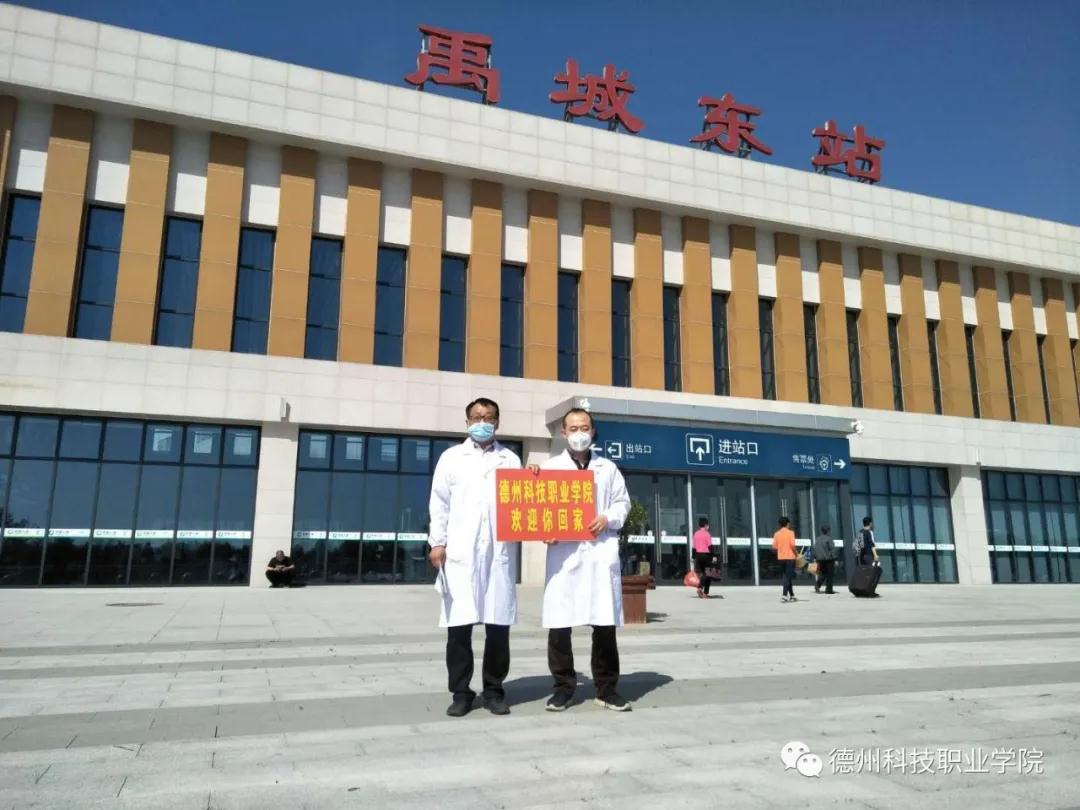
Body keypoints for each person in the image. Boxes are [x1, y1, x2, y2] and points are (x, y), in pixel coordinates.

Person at [428, 397, 522, 718]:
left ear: (498, 422)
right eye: (477, 417)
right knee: (459, 628)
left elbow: (523, 503)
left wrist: (534, 477)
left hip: (498, 552)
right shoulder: (451, 458)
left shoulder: (510, 459)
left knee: (498, 627)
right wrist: (437, 542)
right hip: (460, 552)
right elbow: (439, 503)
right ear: (467, 422)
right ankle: (461, 692)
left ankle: (494, 690)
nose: (483, 422)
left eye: (489, 417)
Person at [534, 408, 632, 713]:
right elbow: (537, 508)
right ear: (563, 432)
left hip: (599, 554)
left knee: (604, 625)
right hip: (564, 556)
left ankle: (607, 689)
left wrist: (607, 518)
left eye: (585, 427)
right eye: (573, 428)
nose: (579, 433)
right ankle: (563, 689)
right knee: (559, 625)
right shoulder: (550, 468)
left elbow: (623, 503)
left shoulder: (608, 468)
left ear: (593, 431)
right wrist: (545, 531)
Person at [772, 517, 797, 603]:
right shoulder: (791, 533)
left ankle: (792, 595)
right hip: (790, 558)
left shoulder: (776, 534)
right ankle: (784, 595)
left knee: (787, 577)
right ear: (787, 524)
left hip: (781, 558)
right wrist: (796, 554)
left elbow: (774, 547)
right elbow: (793, 545)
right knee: (787, 577)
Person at [692, 516, 716, 599]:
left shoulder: (696, 534)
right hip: (706, 555)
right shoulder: (707, 534)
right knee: (708, 574)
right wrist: (713, 556)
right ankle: (703, 591)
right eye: (708, 525)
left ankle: (702, 590)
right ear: (705, 525)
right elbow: (710, 546)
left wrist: (693, 557)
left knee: (703, 574)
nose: (708, 527)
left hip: (698, 555)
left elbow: (694, 547)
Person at [813, 525, 837, 594]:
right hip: (828, 559)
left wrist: (815, 557)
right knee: (829, 574)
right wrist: (835, 558)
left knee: (823, 574)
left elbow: (815, 549)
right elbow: (832, 550)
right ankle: (829, 590)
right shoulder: (829, 539)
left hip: (820, 559)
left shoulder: (818, 539)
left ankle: (817, 585)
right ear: (828, 531)